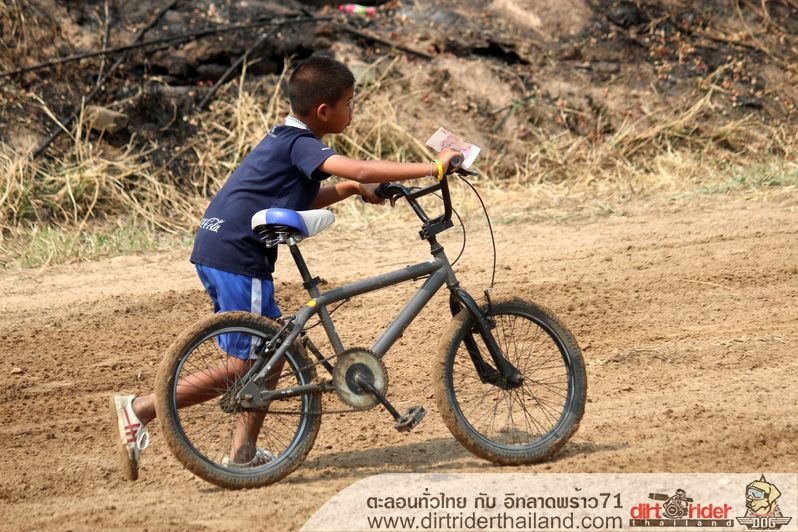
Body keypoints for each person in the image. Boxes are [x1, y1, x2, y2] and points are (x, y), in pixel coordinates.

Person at [110, 55, 461, 481]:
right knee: (245, 367)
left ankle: (243, 453)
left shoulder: (286, 138)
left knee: (272, 353)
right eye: (349, 103)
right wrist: (433, 167)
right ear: (324, 111)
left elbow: (301, 197)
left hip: (219, 245)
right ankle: (142, 409)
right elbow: (362, 166)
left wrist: (351, 188)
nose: (352, 110)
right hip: (239, 255)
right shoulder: (302, 143)